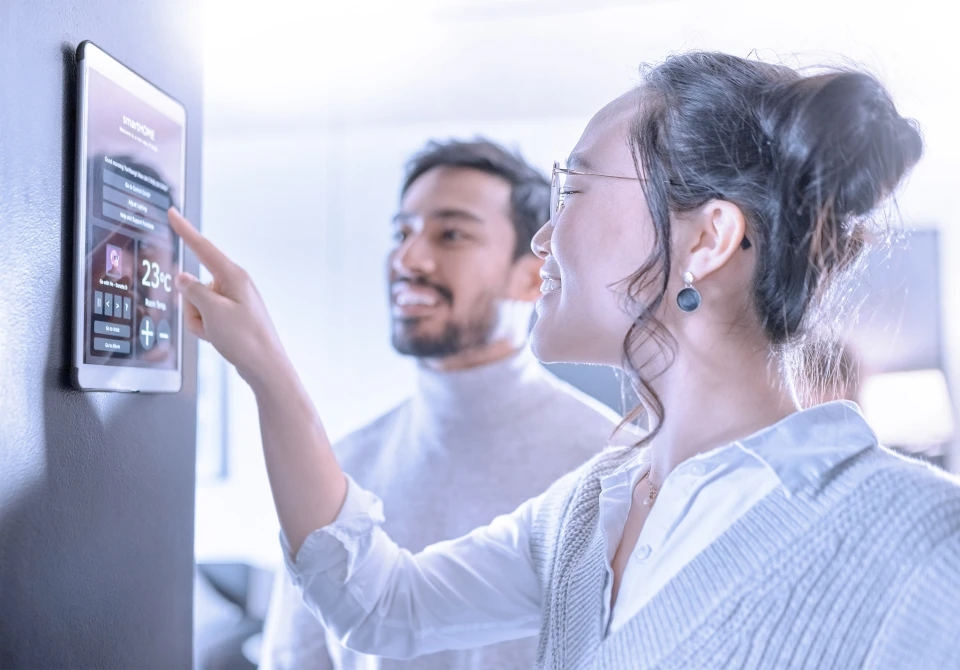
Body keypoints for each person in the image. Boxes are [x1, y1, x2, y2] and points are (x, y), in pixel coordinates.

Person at [170, 51, 960, 669]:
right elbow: (379, 602)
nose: (542, 239)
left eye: (573, 189)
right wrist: (265, 368)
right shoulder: (590, 511)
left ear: (710, 239)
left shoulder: (923, 543)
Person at [256, 139, 622, 669]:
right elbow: (295, 659)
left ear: (531, 273)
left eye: (451, 234)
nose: (408, 259)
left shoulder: (607, 465)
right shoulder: (339, 466)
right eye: (402, 233)